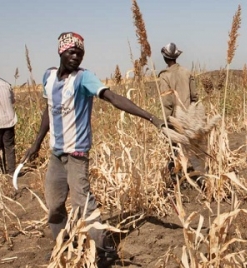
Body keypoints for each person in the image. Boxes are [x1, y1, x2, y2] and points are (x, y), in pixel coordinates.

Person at [22, 32, 164, 266]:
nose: (76, 56)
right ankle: (63, 245)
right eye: (71, 51)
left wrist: (151, 117)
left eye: (80, 52)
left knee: (84, 206)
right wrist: (36, 144)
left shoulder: (84, 78)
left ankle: (106, 251)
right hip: (56, 155)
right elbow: (48, 111)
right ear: (61, 52)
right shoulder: (48, 77)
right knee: (55, 206)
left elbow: (113, 97)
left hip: (77, 155)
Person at [158, 43, 205, 182]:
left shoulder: (164, 76)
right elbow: (194, 96)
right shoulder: (186, 72)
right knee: (194, 149)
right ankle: (204, 179)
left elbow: (167, 102)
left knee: (175, 149)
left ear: (165, 58)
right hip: (189, 116)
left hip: (175, 120)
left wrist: (166, 123)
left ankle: (176, 179)